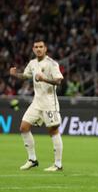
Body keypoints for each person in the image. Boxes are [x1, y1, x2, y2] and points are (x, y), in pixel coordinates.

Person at [9, 39, 64, 171]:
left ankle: (58, 164)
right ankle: (32, 159)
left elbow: (59, 81)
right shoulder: (32, 63)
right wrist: (15, 74)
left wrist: (44, 78)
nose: (38, 49)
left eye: (41, 47)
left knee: (53, 131)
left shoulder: (52, 63)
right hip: (36, 102)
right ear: (33, 49)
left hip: (49, 103)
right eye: (36, 47)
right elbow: (26, 76)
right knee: (23, 127)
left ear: (45, 49)